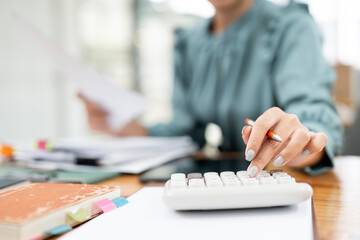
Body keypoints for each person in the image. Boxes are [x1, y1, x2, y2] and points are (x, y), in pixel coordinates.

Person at [80, 0, 343, 177]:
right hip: (218, 183)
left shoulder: (291, 26)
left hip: (283, 179)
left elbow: (312, 114)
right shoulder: (188, 42)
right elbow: (184, 130)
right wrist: (123, 127)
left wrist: (300, 147)